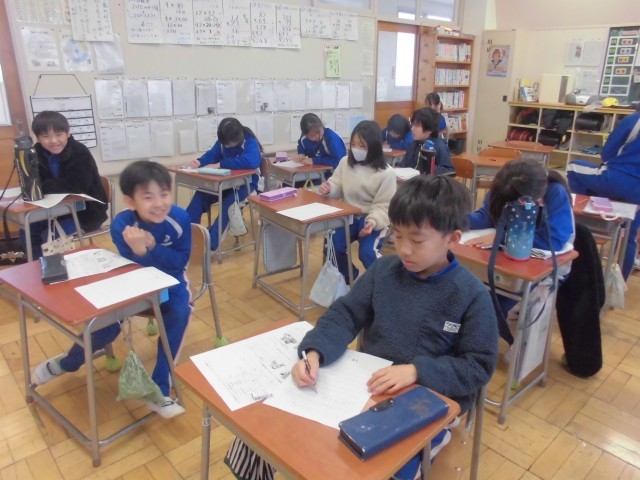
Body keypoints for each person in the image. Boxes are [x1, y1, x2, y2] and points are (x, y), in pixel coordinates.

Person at [225, 175, 499, 480]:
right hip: (365, 387)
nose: (404, 249)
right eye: (397, 235)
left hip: (425, 403)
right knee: (267, 427)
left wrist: (416, 371)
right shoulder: (384, 271)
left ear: (452, 238)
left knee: (374, 465)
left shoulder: (471, 295)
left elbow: (478, 365)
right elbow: (345, 314)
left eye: (417, 240)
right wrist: (315, 353)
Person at [32, 161, 190, 419]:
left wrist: (151, 249)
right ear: (130, 201)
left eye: (164, 194)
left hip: (170, 281)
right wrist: (140, 252)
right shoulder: (122, 225)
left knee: (180, 312)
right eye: (148, 197)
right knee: (105, 325)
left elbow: (179, 262)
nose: (159, 203)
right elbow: (132, 266)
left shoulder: (180, 218)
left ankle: (160, 388)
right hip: (131, 280)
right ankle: (67, 363)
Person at [467, 158, 575, 344]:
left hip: (544, 267)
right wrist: (454, 221)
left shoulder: (555, 193)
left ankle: (483, 346)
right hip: (506, 259)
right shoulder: (505, 185)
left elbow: (554, 240)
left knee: (491, 303)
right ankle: (474, 340)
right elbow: (487, 215)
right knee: (470, 291)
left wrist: (501, 237)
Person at [19, 111, 107, 259]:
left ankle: (56, 268)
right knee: (27, 231)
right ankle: (36, 265)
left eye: (59, 134)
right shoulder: (36, 152)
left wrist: (45, 186)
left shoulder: (79, 152)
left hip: (86, 212)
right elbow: (34, 182)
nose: (53, 141)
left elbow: (77, 186)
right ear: (38, 137)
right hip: (54, 210)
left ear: (68, 133)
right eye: (46, 136)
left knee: (51, 235)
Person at [317, 120, 396, 283]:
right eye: (353, 144)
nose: (356, 149)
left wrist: (372, 222)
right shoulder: (345, 162)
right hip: (349, 215)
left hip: (373, 219)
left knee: (367, 252)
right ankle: (353, 278)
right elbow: (337, 183)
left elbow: (384, 206)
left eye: (362, 145)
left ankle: (386, 284)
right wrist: (329, 188)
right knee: (332, 246)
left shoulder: (386, 173)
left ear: (373, 146)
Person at [566, 108, 640, 280]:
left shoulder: (634, 119)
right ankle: (619, 284)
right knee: (629, 237)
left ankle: (586, 219)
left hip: (617, 178)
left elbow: (607, 154)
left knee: (573, 167)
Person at [186, 117, 262, 251]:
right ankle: (186, 235)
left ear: (238, 138)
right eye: (224, 143)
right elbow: (212, 154)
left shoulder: (250, 141)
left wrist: (220, 164)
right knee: (201, 195)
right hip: (225, 183)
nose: (225, 146)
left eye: (228, 144)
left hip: (246, 186)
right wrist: (199, 162)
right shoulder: (224, 140)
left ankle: (209, 245)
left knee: (228, 205)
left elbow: (251, 161)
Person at [397, 107, 455, 176]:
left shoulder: (439, 146)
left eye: (417, 126)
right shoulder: (413, 144)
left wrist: (430, 168)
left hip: (428, 181)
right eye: (412, 125)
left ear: (429, 129)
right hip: (411, 181)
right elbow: (403, 165)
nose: (412, 129)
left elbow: (450, 171)